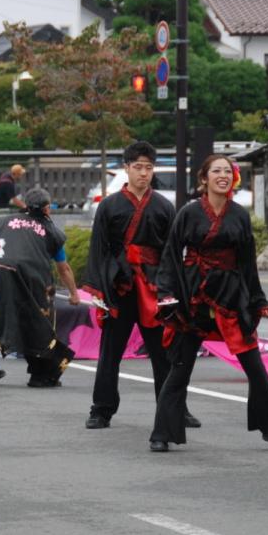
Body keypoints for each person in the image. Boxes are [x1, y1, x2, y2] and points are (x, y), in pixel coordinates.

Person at [149, 155, 268, 453]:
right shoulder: (189, 214)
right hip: (194, 295)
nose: (223, 175)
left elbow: (247, 264)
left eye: (228, 171)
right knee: (180, 367)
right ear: (204, 178)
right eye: (216, 170)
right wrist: (167, 294)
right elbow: (171, 255)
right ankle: (162, 433)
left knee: (254, 367)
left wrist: (258, 300)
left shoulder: (239, 215)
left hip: (230, 295)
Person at [83, 142, 200, 430]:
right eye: (138, 167)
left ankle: (176, 408)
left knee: (164, 354)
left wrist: (172, 290)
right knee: (110, 352)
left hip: (153, 286)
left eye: (148, 168)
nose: (143, 173)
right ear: (126, 168)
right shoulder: (109, 205)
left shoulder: (163, 205)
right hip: (119, 284)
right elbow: (99, 248)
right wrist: (100, 290)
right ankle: (101, 409)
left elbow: (172, 252)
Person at [0, 187, 78, 387]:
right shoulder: (51, 231)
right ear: (47, 208)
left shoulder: (3, 222)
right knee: (39, 321)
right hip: (29, 275)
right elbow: (63, 268)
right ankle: (40, 374)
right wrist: (74, 294)